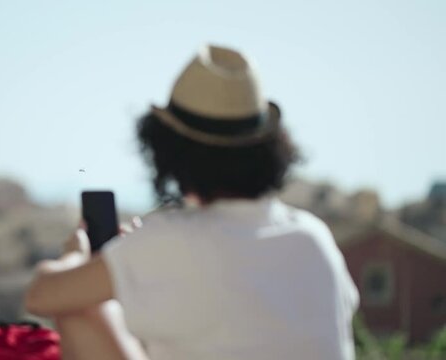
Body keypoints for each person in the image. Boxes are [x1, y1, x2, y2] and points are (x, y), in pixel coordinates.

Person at [24, 45, 359, 360]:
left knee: (81, 308)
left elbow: (42, 295)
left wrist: (76, 256)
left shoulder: (175, 238)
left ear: (168, 151)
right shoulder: (313, 236)